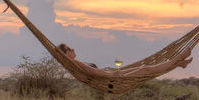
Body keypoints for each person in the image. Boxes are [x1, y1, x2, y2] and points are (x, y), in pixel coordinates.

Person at [57, 43, 192, 78]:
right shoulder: (76, 63)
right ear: (66, 54)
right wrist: (113, 74)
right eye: (70, 48)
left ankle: (179, 63)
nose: (73, 49)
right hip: (113, 77)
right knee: (146, 69)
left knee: (146, 68)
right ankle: (178, 59)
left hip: (113, 75)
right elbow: (94, 72)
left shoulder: (75, 63)